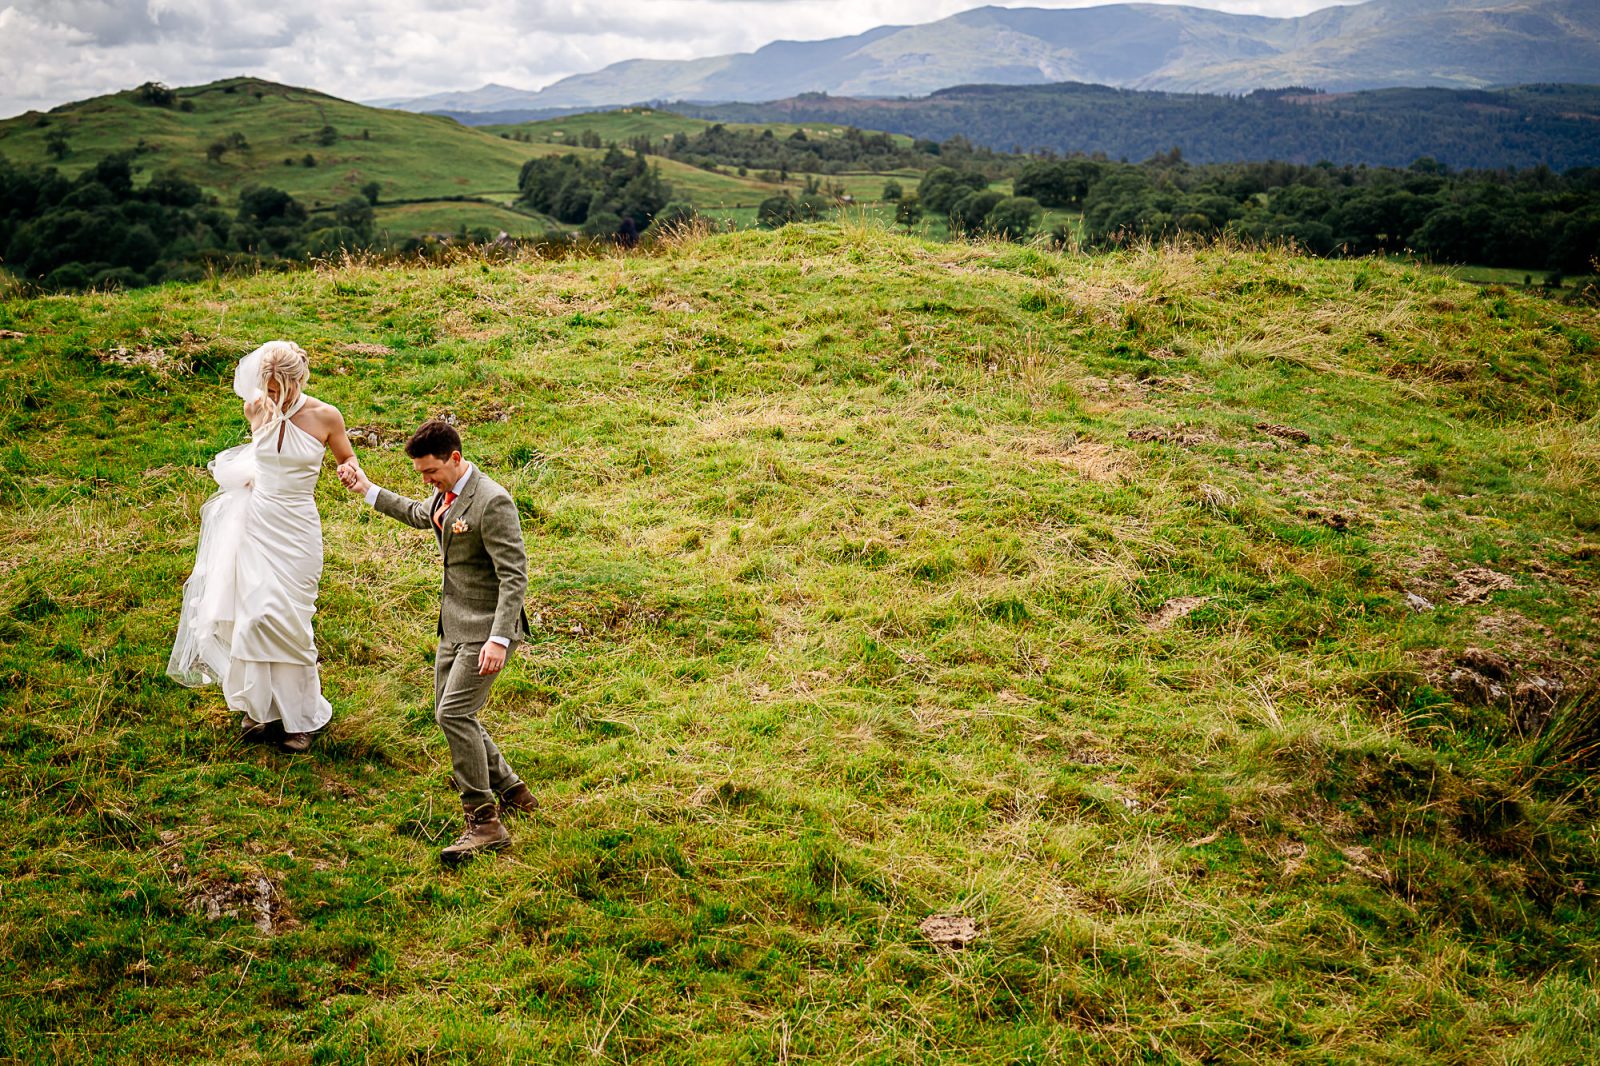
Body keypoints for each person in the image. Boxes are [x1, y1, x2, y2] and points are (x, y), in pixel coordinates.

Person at [337, 420, 536, 864]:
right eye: (422, 474)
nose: (426, 480)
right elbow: (417, 513)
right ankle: (513, 791)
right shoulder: (446, 496)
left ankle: (483, 821)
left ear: (456, 459)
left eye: (431, 472)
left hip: (487, 630)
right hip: (452, 628)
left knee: (454, 713)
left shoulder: (492, 501)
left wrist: (499, 639)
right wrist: (366, 488)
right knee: (453, 714)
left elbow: (513, 575)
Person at [169, 341, 358, 753]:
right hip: (259, 523)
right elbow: (258, 458)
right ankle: (261, 710)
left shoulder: (326, 416)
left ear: (298, 380)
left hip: (298, 529)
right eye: (267, 388)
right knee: (254, 617)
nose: (272, 397)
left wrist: (349, 471)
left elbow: (348, 458)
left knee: (292, 622)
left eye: (279, 389)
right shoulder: (255, 409)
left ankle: (301, 719)